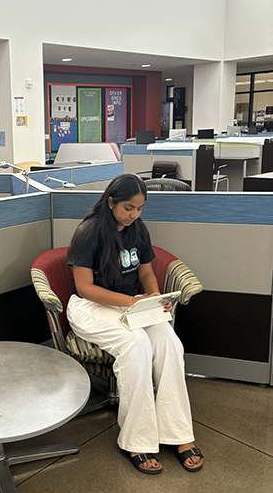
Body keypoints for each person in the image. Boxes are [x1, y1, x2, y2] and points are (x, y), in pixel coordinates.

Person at [67, 173, 203, 474]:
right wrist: (134, 302)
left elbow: (145, 272)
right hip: (91, 307)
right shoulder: (89, 232)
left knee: (169, 342)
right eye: (129, 208)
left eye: (140, 208)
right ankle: (136, 440)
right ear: (111, 201)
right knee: (137, 345)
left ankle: (177, 433)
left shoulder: (138, 230)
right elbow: (85, 287)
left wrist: (154, 296)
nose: (135, 215)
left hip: (133, 303)